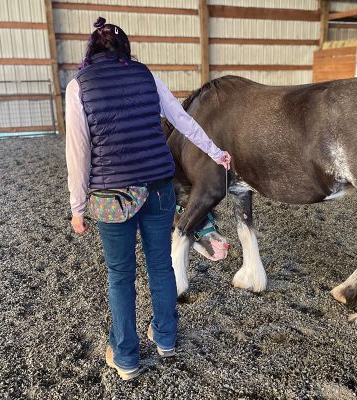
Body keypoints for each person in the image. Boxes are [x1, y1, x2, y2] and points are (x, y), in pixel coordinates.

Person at [65, 16, 231, 381]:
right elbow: (182, 120)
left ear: (92, 51)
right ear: (125, 49)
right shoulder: (145, 75)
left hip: (112, 197)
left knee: (120, 275)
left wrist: (78, 208)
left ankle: (126, 357)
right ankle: (166, 337)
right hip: (157, 187)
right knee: (160, 266)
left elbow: (78, 152)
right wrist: (216, 151)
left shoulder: (79, 86)